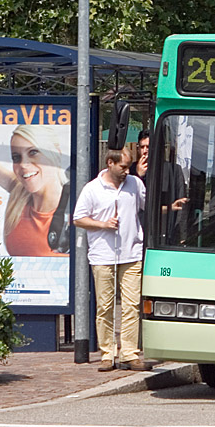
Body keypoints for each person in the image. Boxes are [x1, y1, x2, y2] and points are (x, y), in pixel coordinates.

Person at [74, 149, 152, 372]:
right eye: (123, 167)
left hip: (132, 252)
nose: (127, 171)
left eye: (128, 167)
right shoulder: (92, 189)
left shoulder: (135, 184)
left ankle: (129, 353)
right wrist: (102, 224)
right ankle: (107, 353)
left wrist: (169, 208)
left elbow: (147, 206)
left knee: (131, 305)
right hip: (103, 254)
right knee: (105, 306)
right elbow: (78, 218)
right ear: (110, 163)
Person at [0, 123, 69, 257]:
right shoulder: (19, 192)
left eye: (33, 152)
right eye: (16, 157)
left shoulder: (74, 207)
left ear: (56, 152)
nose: (23, 165)